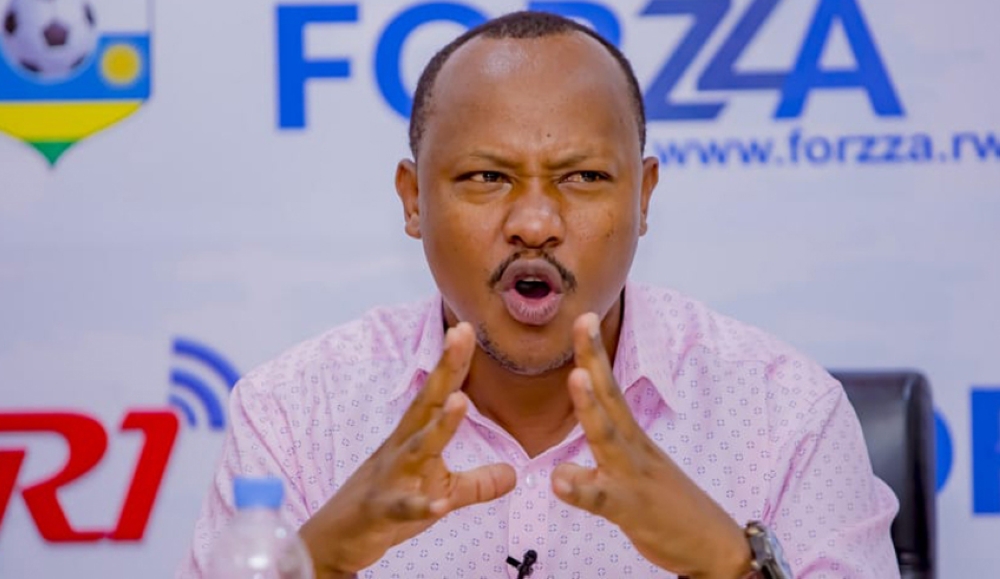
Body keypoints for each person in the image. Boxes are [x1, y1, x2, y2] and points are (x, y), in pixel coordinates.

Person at [179, 11, 899, 579]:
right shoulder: (292, 415)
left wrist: (729, 564)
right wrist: (319, 559)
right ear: (413, 200)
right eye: (487, 177)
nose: (534, 222)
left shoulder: (786, 415)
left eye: (583, 177)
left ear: (644, 197)